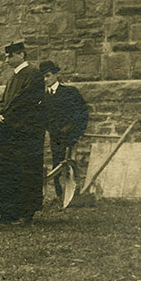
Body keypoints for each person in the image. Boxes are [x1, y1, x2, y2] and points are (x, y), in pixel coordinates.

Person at [0, 40, 45, 224]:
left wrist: (6, 116)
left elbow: (24, 102)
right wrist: (0, 113)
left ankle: (26, 213)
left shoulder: (32, 75)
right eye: (6, 55)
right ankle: (11, 211)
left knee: (27, 172)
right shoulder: (13, 77)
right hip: (12, 132)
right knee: (11, 172)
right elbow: (6, 101)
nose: (7, 59)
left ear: (22, 55)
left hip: (26, 133)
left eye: (11, 55)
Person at [42, 60, 88, 203]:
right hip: (55, 137)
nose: (46, 79)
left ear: (55, 75)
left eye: (48, 76)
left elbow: (82, 113)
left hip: (70, 135)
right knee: (56, 164)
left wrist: (75, 131)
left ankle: (74, 194)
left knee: (71, 165)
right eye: (43, 77)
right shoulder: (44, 97)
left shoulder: (69, 92)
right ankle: (59, 195)